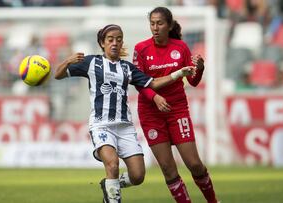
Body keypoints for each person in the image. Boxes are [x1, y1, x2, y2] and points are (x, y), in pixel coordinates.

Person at [54, 24, 195, 203]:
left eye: (119, 40)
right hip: (101, 125)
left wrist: (178, 73)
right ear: (102, 43)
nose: (115, 43)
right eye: (110, 40)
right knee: (112, 165)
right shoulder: (91, 62)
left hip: (125, 128)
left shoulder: (127, 68)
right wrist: (67, 61)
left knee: (138, 176)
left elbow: (152, 84)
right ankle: (112, 196)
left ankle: (110, 185)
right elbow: (58, 75)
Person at [132, 7, 219, 203]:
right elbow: (139, 82)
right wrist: (155, 98)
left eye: (159, 23)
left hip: (177, 110)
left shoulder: (180, 47)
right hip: (151, 113)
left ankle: (213, 201)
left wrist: (200, 69)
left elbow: (193, 81)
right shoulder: (141, 49)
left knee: (194, 164)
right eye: (152, 23)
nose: (155, 28)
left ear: (169, 25)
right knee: (168, 169)